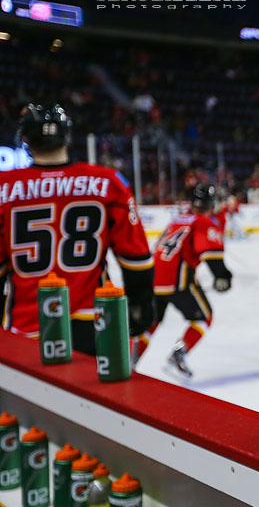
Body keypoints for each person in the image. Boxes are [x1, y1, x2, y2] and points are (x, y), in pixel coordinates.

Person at [0, 103, 154, 354]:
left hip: (27, 328)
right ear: (67, 136)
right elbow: (136, 258)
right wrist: (141, 305)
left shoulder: (4, 188)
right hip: (97, 325)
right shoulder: (108, 182)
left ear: (25, 139)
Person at [132, 184, 232, 378]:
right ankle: (178, 355)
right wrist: (223, 276)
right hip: (177, 281)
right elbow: (210, 254)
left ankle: (129, 361)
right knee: (204, 317)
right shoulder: (201, 222)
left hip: (152, 277)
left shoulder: (177, 220)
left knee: (150, 323)